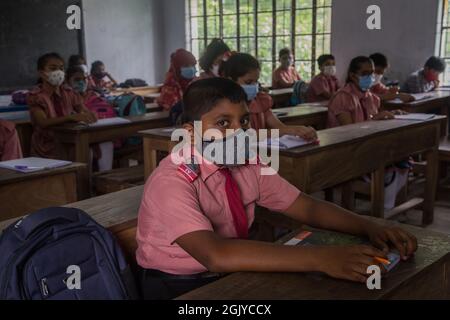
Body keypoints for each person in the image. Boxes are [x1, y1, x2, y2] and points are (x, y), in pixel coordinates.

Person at [136, 77, 417, 300]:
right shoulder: (172, 181)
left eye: (243, 121)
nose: (238, 132)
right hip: (178, 285)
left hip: (231, 268)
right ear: (191, 132)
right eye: (223, 123)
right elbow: (215, 255)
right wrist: (321, 259)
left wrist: (369, 227)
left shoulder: (248, 163)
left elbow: (306, 206)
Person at [222, 53, 316, 140]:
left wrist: (298, 130)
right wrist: (285, 131)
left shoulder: (259, 100)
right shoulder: (223, 105)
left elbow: (280, 127)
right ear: (231, 81)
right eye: (248, 82)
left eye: (256, 81)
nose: (254, 86)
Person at [27, 52, 97, 158]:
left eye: (61, 68)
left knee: (87, 149)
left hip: (70, 141)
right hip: (46, 146)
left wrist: (90, 115)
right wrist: (70, 118)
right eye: (53, 68)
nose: (58, 72)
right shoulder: (35, 96)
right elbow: (42, 122)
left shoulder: (69, 92)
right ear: (41, 73)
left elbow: (82, 110)